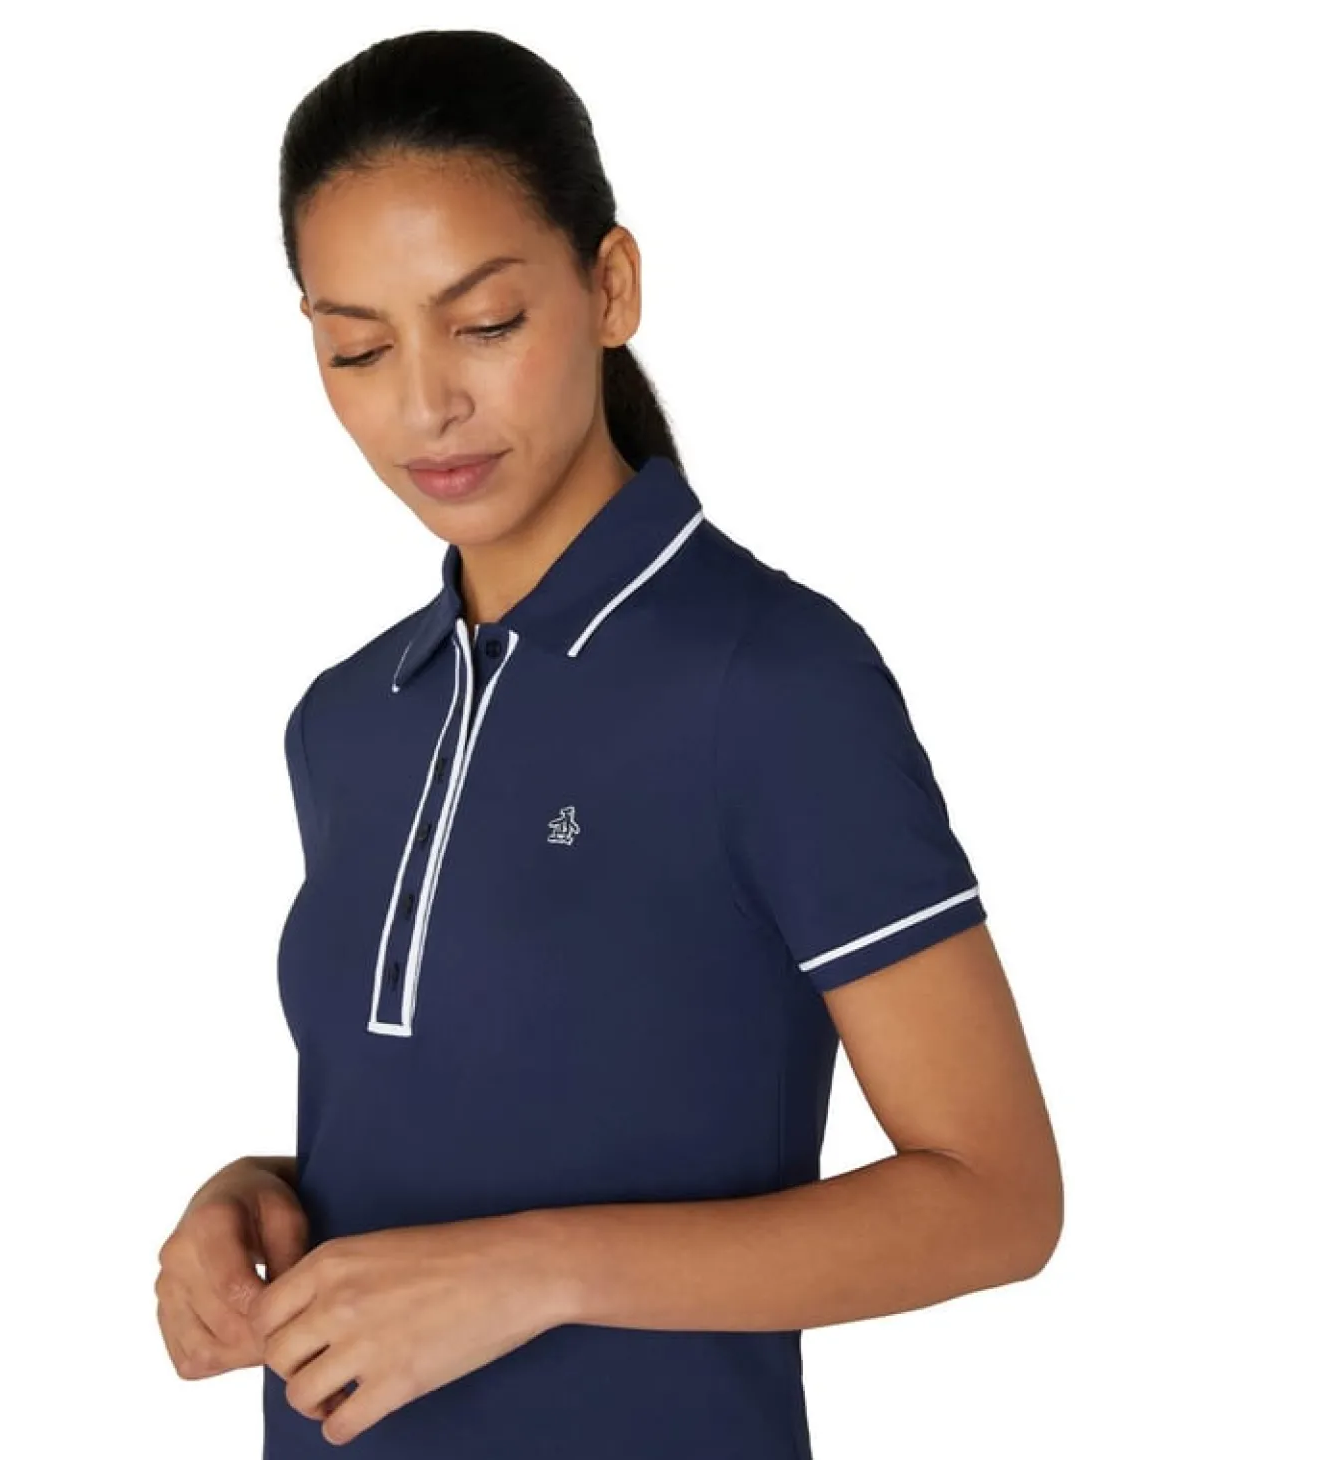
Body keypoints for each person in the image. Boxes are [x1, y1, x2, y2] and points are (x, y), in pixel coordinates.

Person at [153, 28, 1062, 1459]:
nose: (424, 404)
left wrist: (536, 1274)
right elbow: (489, 1112)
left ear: (610, 286)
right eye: (358, 347)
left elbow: (998, 1198)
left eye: (485, 323)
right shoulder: (347, 719)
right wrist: (257, 1199)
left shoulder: (772, 682)